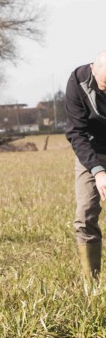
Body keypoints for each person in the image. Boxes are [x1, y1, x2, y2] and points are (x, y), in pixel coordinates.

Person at [65, 50, 106, 285]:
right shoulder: (77, 82)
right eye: (103, 86)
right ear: (93, 69)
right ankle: (93, 285)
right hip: (90, 152)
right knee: (85, 214)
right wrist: (98, 170)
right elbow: (76, 133)